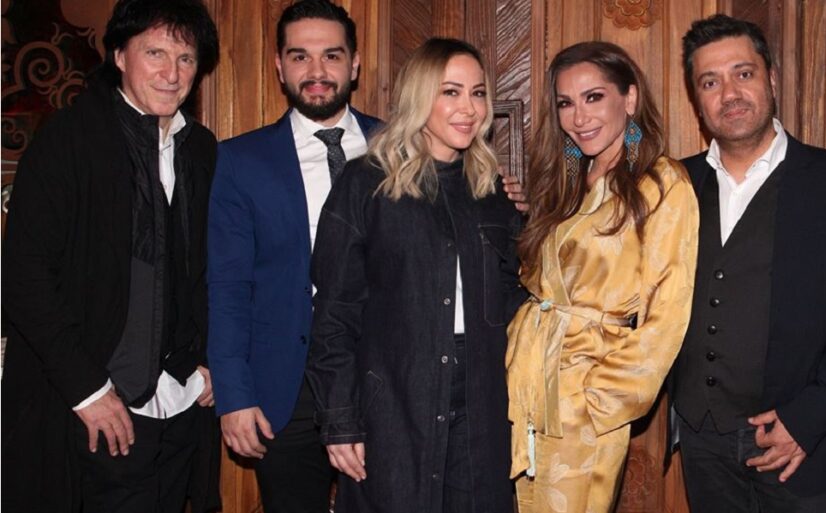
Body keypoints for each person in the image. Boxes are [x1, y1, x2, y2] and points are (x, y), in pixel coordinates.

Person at [1, 0, 221, 511]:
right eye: (155, 53)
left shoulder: (202, 149)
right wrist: (88, 391)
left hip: (183, 404)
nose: (171, 73)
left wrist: (211, 357)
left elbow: (211, 269)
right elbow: (23, 276)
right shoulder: (68, 140)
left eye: (186, 58)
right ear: (120, 56)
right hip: (95, 412)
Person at [306, 37, 526, 513]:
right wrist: (339, 420)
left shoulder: (492, 191)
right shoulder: (366, 183)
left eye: (478, 93)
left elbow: (514, 295)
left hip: (484, 400)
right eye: (451, 92)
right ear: (418, 96)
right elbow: (334, 314)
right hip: (394, 398)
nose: (469, 108)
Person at [505, 41, 699, 513]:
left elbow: (669, 310)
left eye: (593, 97)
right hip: (529, 384)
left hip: (588, 395)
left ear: (629, 99)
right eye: (565, 103)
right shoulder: (566, 179)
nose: (579, 117)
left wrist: (602, 400)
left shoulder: (660, 182)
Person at [672, 14, 826, 513]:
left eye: (743, 73)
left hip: (796, 445)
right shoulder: (674, 185)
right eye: (710, 82)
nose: (729, 93)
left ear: (771, 79)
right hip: (701, 442)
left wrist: (807, 420)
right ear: (696, 99)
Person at [206, 1, 381, 511]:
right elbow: (228, 287)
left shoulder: (403, 147)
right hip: (286, 386)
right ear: (279, 67)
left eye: (332, 55)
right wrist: (235, 395)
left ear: (354, 64)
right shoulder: (241, 160)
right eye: (300, 56)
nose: (317, 71)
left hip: (384, 376)